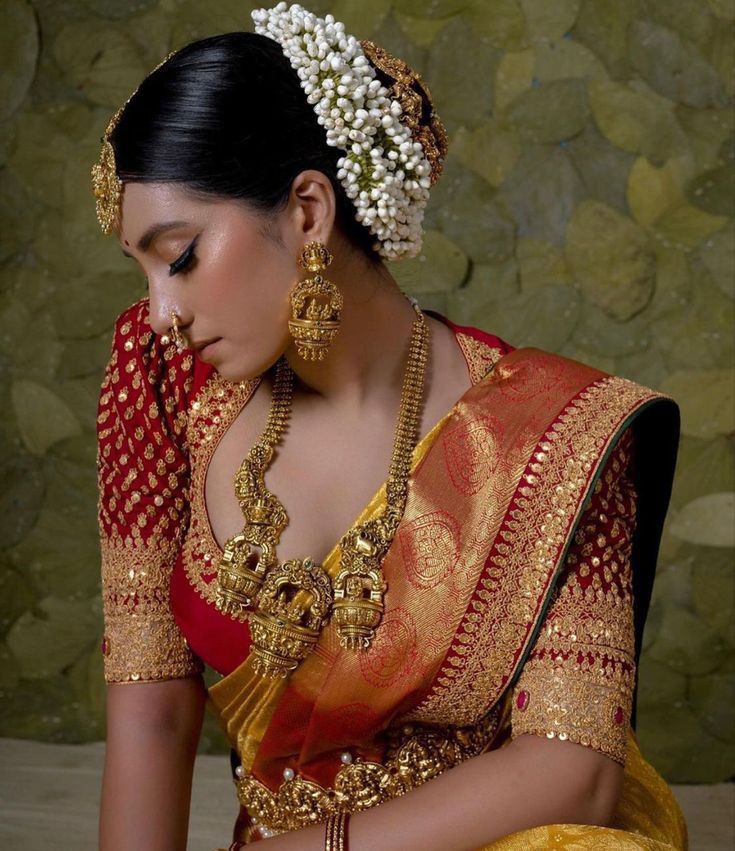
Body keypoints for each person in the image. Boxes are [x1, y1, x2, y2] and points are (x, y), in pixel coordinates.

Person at [92, 4, 687, 849]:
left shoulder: (556, 432)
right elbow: (151, 705)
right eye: (142, 269)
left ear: (306, 210)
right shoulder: (163, 379)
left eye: (180, 255)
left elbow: (574, 770)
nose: (162, 312)